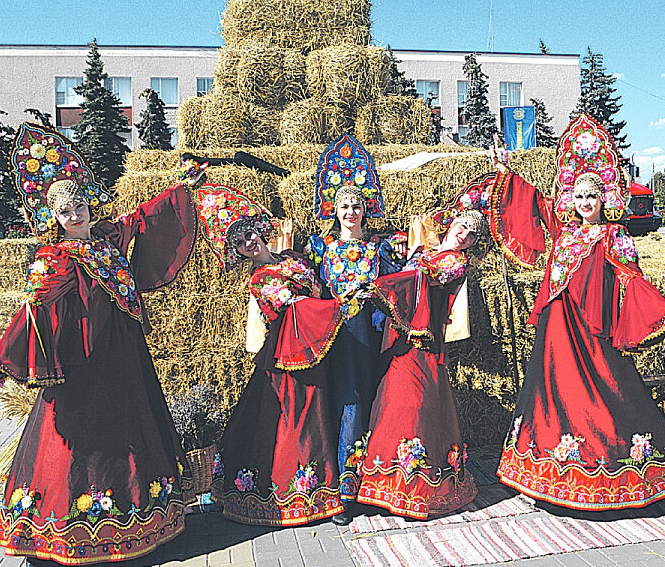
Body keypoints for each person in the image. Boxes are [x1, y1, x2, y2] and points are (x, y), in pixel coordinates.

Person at [0, 123, 203, 565]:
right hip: (84, 364)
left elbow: (141, 217)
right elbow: (33, 310)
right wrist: (3, 358)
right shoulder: (53, 258)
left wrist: (181, 187)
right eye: (65, 212)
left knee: (131, 428)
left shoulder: (106, 241)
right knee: (84, 441)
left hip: (124, 359)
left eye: (79, 205)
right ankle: (64, 531)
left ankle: (143, 520)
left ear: (88, 204)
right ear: (53, 219)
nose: (75, 215)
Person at [486, 116, 665, 515]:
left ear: (605, 199)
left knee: (613, 394)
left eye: (593, 196)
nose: (586, 203)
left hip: (592, 333)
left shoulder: (614, 236)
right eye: (580, 196)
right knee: (550, 398)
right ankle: (547, 477)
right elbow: (532, 203)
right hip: (556, 332)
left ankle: (656, 474)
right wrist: (505, 171)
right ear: (572, 198)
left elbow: (632, 281)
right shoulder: (564, 229)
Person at [200, 185, 347, 526]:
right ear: (238, 251)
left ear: (260, 231)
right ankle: (307, 493)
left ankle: (321, 489)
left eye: (249, 234)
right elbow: (296, 307)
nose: (249, 242)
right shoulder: (259, 280)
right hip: (287, 357)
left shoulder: (292, 258)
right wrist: (340, 307)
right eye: (240, 242)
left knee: (318, 414)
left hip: (316, 348)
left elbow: (316, 287)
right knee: (296, 417)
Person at [355, 209, 489, 519]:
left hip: (423, 341)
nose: (464, 234)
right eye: (462, 225)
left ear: (472, 244)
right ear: (452, 222)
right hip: (399, 336)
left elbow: (424, 277)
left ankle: (416, 486)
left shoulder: (455, 264)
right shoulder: (424, 249)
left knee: (415, 402)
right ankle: (382, 484)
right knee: (390, 399)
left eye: (471, 234)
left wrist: (382, 284)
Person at [306, 134, 406, 525]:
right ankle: (345, 491)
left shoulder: (380, 248)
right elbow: (305, 281)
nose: (350, 210)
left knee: (371, 401)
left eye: (357, 205)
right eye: (344, 205)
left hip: (370, 335)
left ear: (367, 210)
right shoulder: (321, 247)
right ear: (334, 208)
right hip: (336, 336)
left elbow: (401, 280)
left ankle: (373, 485)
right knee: (345, 403)